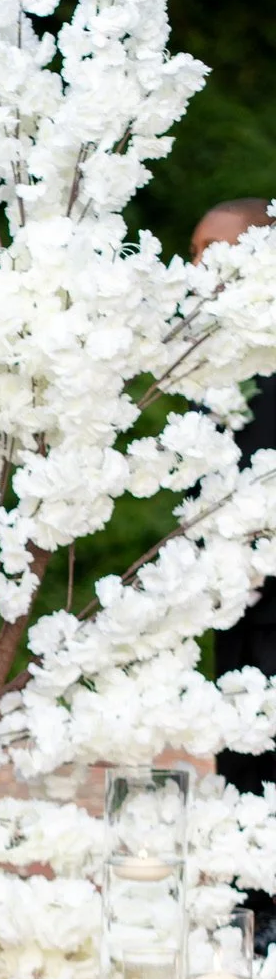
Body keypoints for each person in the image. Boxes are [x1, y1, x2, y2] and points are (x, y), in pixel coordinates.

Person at [193, 199, 276, 854]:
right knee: (238, 747)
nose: (201, 269)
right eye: (195, 255)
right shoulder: (209, 357)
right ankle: (251, 898)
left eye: (217, 252)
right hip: (230, 597)